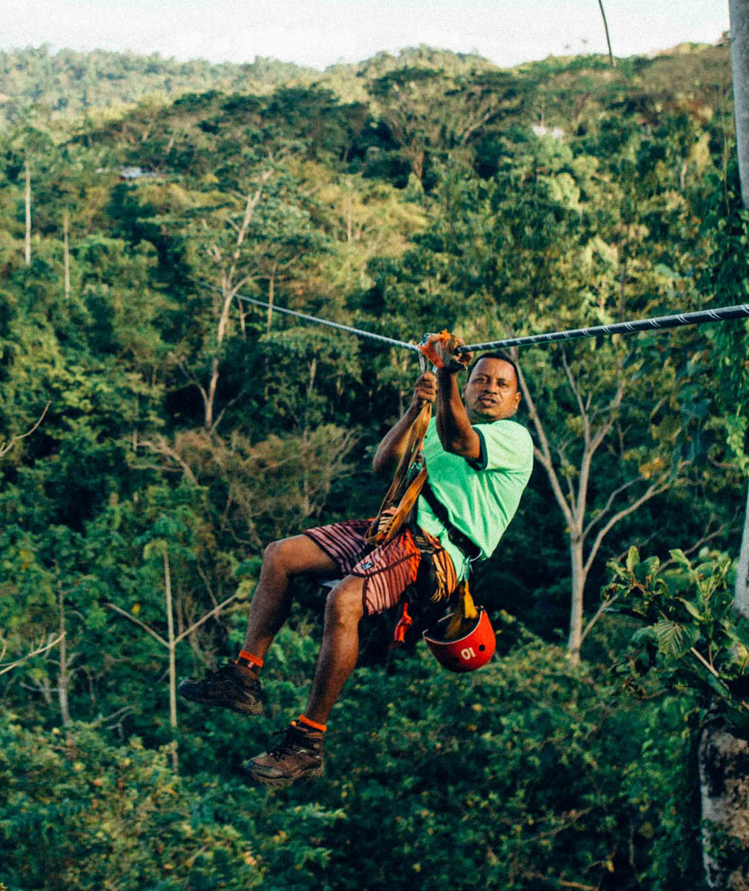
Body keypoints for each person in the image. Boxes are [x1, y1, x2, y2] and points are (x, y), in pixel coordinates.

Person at [178, 332, 533, 786]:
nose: (489, 388)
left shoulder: (512, 438)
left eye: (501, 384)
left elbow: (463, 441)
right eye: (480, 380)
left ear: (515, 401)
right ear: (466, 389)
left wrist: (446, 373)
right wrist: (415, 409)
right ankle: (243, 676)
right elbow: (385, 464)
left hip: (436, 553)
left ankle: (308, 741)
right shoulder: (442, 425)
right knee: (281, 557)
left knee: (344, 602)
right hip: (393, 528)